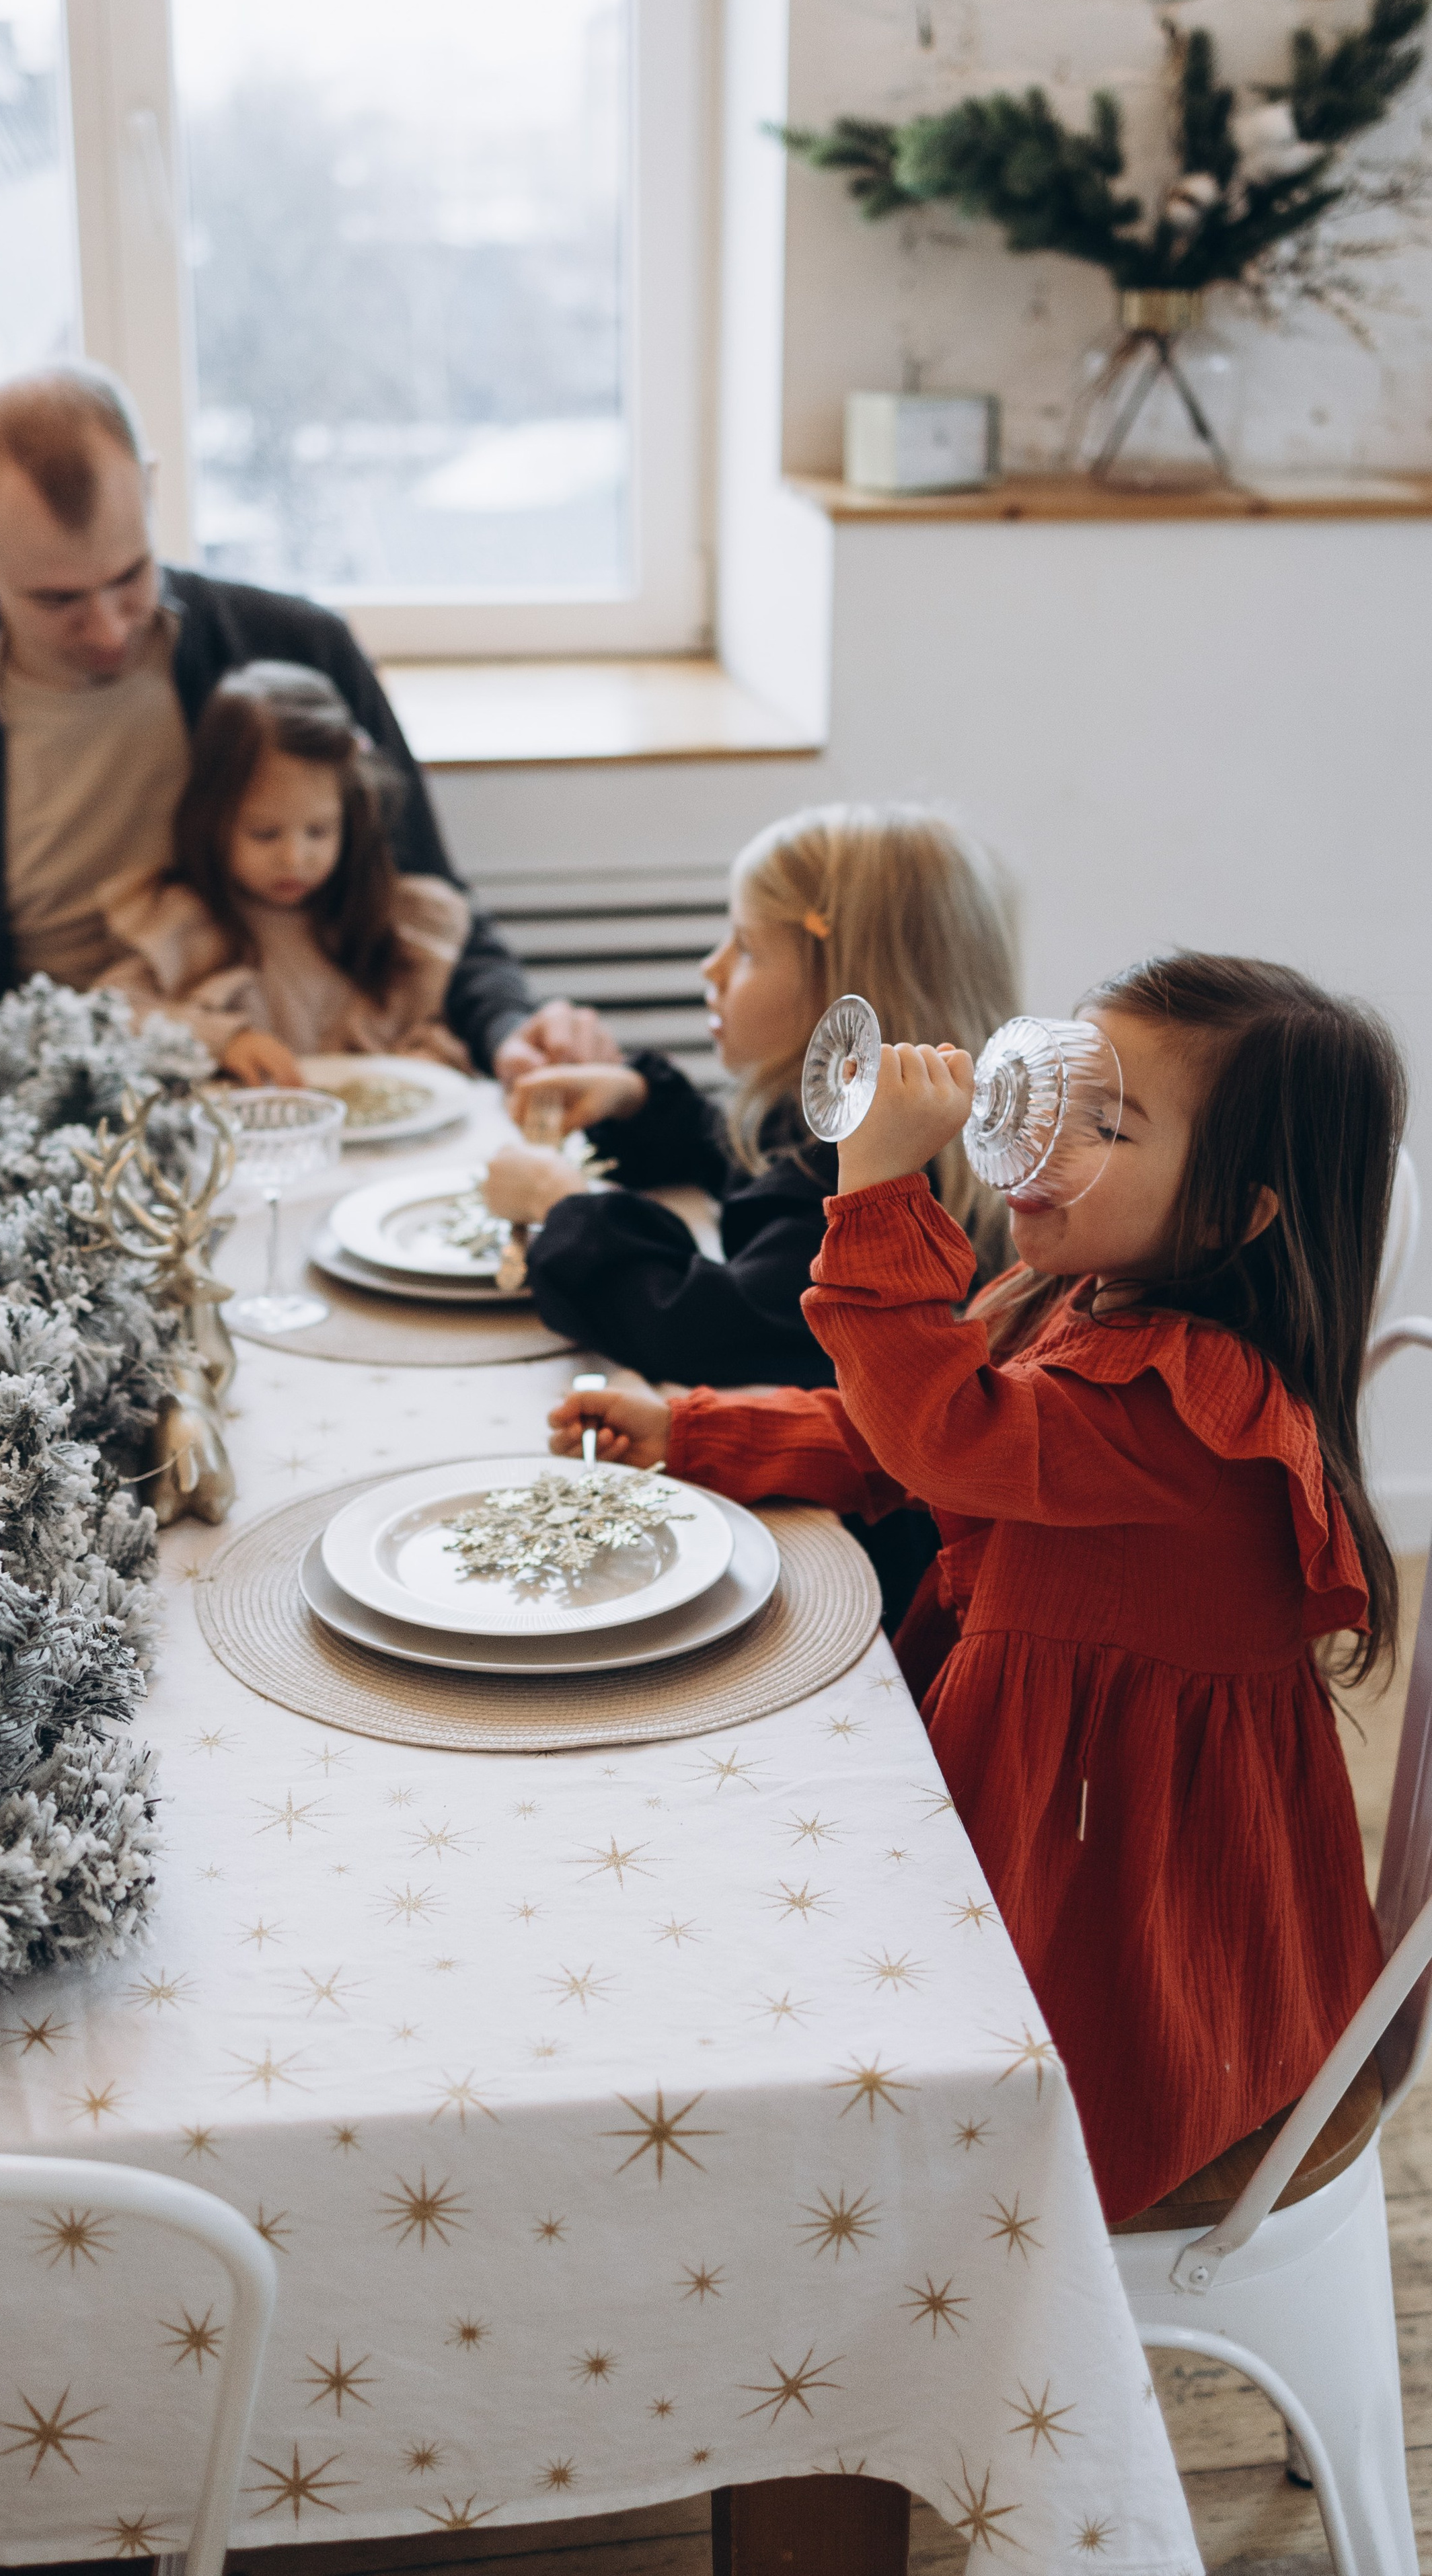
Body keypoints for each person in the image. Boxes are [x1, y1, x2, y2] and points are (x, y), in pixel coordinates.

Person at [548, 953, 1399, 2225]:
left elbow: (945, 1429)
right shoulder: (1086, 1294)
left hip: (1127, 1925)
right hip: (1048, 1804)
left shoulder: (1189, 1413)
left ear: (1237, 1218)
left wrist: (881, 1186)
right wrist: (698, 1429)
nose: (1046, 1133)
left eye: (1109, 1123)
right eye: (1063, 1086)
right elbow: (909, 1425)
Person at [0, 360, 607, 1082]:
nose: (111, 629)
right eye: (58, 601)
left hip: (282, 1077)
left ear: (151, 492)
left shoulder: (297, 651)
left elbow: (419, 892)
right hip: (45, 1097)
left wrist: (512, 1028)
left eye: (129, 577)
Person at [484, 806, 1017, 1627]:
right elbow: (747, 1170)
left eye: (746, 948)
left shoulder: (871, 1184)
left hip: (849, 1548)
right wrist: (636, 1103)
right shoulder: (841, 1135)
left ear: (844, 996)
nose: (712, 966)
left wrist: (565, 1205)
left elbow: (710, 1328)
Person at [95, 662, 470, 1082]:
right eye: (265, 834)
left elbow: (424, 1027)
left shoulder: (389, 920)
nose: (294, 859)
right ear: (212, 819)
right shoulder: (181, 922)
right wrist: (224, 1040)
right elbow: (109, 1017)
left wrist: (426, 1061)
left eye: (319, 831)